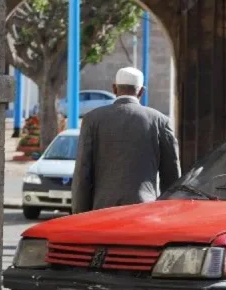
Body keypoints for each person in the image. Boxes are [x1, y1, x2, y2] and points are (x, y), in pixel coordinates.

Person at [71, 67, 181, 214]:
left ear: (114, 88)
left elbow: (82, 174)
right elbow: (171, 175)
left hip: (101, 212)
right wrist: (169, 213)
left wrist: (80, 213)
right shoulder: (160, 121)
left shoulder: (92, 119)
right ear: (141, 91)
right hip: (144, 211)